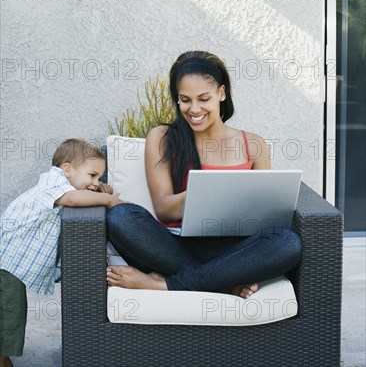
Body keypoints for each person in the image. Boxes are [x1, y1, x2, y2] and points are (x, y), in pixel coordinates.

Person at [106, 51, 302, 298]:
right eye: (185, 100)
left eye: (203, 99)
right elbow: (164, 209)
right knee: (121, 217)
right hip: (174, 246)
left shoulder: (253, 144)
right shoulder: (163, 138)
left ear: (221, 93)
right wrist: (204, 193)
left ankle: (165, 284)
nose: (194, 109)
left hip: (233, 251)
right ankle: (222, 283)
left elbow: (265, 218)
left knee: (287, 242)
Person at [0, 139, 123, 367]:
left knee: (10, 315)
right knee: (9, 317)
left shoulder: (61, 183)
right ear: (67, 169)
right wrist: (110, 200)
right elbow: (74, 198)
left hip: (9, 264)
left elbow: (81, 194)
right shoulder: (55, 184)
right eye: (92, 175)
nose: (96, 183)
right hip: (5, 264)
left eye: (99, 178)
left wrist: (102, 190)